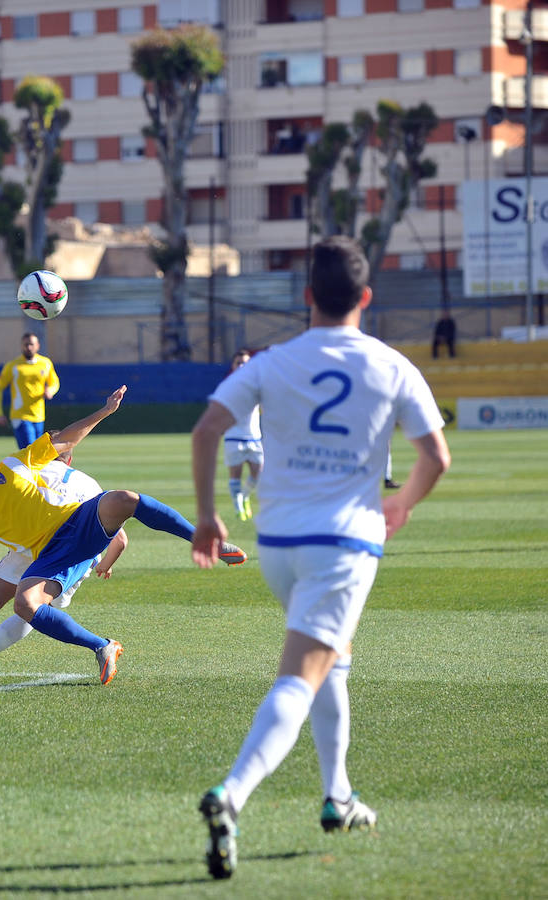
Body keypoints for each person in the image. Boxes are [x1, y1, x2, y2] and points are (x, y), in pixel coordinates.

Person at [190, 236, 451, 879]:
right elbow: (436, 456)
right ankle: (232, 795)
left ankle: (338, 797)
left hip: (277, 546)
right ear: (366, 297)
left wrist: (207, 515)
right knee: (301, 674)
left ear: (307, 298)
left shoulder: (272, 360)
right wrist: (404, 504)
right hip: (343, 545)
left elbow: (206, 431)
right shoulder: (390, 365)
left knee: (333, 660)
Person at [0, 386, 247, 686]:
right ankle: (103, 646)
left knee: (125, 499)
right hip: (53, 555)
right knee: (25, 606)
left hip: (80, 522)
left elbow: (67, 438)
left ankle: (205, 541)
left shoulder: (16, 464)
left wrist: (105, 410)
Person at [0, 443, 128, 681]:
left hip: (30, 541)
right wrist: (105, 564)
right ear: (69, 461)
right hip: (72, 553)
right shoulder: (90, 483)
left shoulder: (31, 467)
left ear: (46, 454)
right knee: (34, 610)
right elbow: (120, 538)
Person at [0, 332, 60, 448]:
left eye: (31, 344)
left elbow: (55, 383)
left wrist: (50, 390)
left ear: (38, 345)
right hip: (20, 416)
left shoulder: (45, 363)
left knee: (36, 453)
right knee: (30, 450)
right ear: (21, 346)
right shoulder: (13, 366)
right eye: (26, 344)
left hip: (39, 415)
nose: (28, 347)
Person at [222, 349, 263, 521]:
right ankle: (239, 507)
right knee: (235, 475)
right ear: (233, 365)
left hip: (254, 437)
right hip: (234, 438)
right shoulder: (228, 385)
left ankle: (244, 497)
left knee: (258, 473)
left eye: (245, 362)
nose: (242, 365)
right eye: (239, 362)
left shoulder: (256, 384)